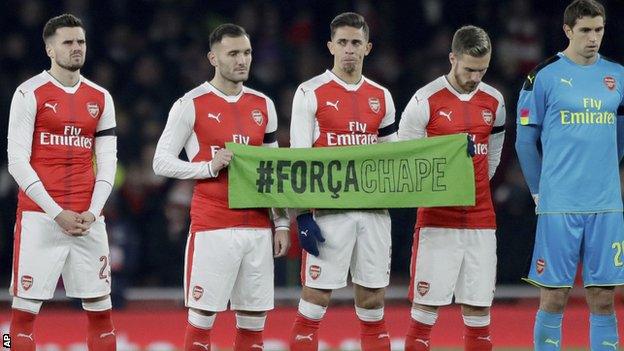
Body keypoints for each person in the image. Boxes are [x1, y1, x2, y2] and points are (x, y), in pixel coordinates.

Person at [152, 23, 290, 351]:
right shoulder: (191, 103)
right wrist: (207, 167)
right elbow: (160, 162)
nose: (242, 60)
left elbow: (271, 170)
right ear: (213, 57)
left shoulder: (263, 105)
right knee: (202, 320)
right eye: (233, 53)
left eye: (246, 53)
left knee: (254, 324)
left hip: (258, 228)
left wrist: (282, 222)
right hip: (212, 226)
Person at [515, 0, 624, 349]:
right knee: (554, 297)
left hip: (606, 205)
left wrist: (604, 171)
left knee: (604, 299)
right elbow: (524, 141)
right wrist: (537, 192)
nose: (593, 38)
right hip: (559, 204)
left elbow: (621, 135)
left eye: (599, 30)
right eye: (585, 31)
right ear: (567, 30)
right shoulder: (542, 76)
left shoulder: (618, 76)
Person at [7, 13, 118, 351]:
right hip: (40, 218)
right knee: (20, 321)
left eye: (80, 42)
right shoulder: (29, 93)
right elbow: (16, 162)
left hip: (88, 220)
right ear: (50, 50)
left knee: (102, 315)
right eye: (68, 42)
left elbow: (109, 161)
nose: (76, 48)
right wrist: (57, 212)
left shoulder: (101, 97)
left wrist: (94, 212)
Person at [288, 12, 397, 351]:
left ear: (368, 47)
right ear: (330, 46)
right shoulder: (310, 92)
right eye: (343, 43)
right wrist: (302, 215)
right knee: (316, 298)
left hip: (373, 212)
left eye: (356, 43)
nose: (349, 49)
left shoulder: (382, 96)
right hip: (329, 213)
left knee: (372, 300)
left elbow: (391, 160)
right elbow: (299, 159)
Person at [398, 25, 505, 351]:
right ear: (452, 58)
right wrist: (449, 175)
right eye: (470, 69)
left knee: (479, 314)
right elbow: (404, 160)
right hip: (436, 221)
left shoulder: (495, 101)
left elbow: (493, 159)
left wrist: (469, 185)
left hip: (481, 221)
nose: (476, 76)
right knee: (424, 315)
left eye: (482, 69)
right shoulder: (424, 100)